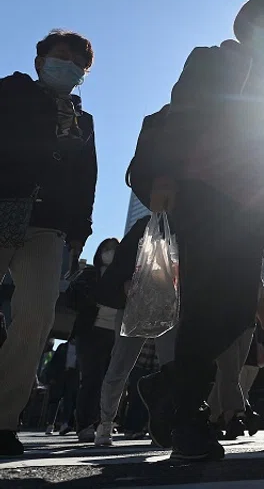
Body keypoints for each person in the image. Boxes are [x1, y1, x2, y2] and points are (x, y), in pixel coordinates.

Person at [141, 0, 264, 462]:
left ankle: (167, 385)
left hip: (250, 207)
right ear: (242, 25)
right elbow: (180, 118)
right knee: (202, 305)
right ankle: (186, 419)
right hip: (202, 194)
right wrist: (162, 176)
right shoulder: (209, 59)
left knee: (239, 311)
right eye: (263, 22)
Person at [0, 30, 97, 457]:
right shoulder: (14, 91)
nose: (68, 67)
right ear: (41, 61)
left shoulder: (84, 120)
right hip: (4, 203)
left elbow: (86, 180)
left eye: (78, 65)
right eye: (61, 57)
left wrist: (80, 233)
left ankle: (3, 419)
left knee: (36, 317)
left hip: (48, 225)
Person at [94, 215, 175, 447]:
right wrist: (125, 282)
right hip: (138, 302)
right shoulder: (146, 224)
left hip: (167, 303)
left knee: (170, 367)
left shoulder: (189, 222)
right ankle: (106, 422)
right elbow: (125, 257)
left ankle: (165, 422)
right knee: (121, 364)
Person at [65, 238, 120, 442]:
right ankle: (85, 424)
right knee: (91, 378)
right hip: (90, 331)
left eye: (114, 250)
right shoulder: (89, 274)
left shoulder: (124, 276)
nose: (110, 253)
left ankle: (103, 422)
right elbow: (72, 298)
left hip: (114, 332)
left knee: (109, 379)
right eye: (107, 249)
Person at [209, 280, 264, 440]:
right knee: (230, 372)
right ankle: (238, 412)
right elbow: (261, 306)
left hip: (227, 322)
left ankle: (216, 417)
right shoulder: (253, 275)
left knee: (228, 373)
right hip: (242, 325)